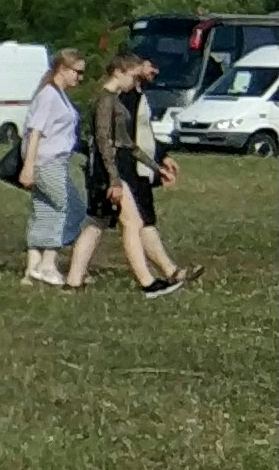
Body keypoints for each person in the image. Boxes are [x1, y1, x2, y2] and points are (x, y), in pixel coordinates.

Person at [90, 53, 192, 297]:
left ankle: (150, 281)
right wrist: (114, 180)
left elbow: (129, 144)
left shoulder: (115, 100)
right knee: (129, 223)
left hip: (120, 169)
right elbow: (105, 144)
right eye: (133, 75)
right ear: (120, 72)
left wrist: (158, 169)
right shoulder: (105, 101)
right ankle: (148, 283)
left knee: (130, 223)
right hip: (114, 171)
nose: (135, 81)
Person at [15, 48, 90, 289]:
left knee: (45, 210)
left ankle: (32, 267)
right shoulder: (49, 95)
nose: (80, 78)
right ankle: (48, 263)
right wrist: (28, 167)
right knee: (69, 208)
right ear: (63, 69)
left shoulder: (59, 95)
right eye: (78, 72)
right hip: (46, 161)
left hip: (55, 159)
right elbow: (35, 131)